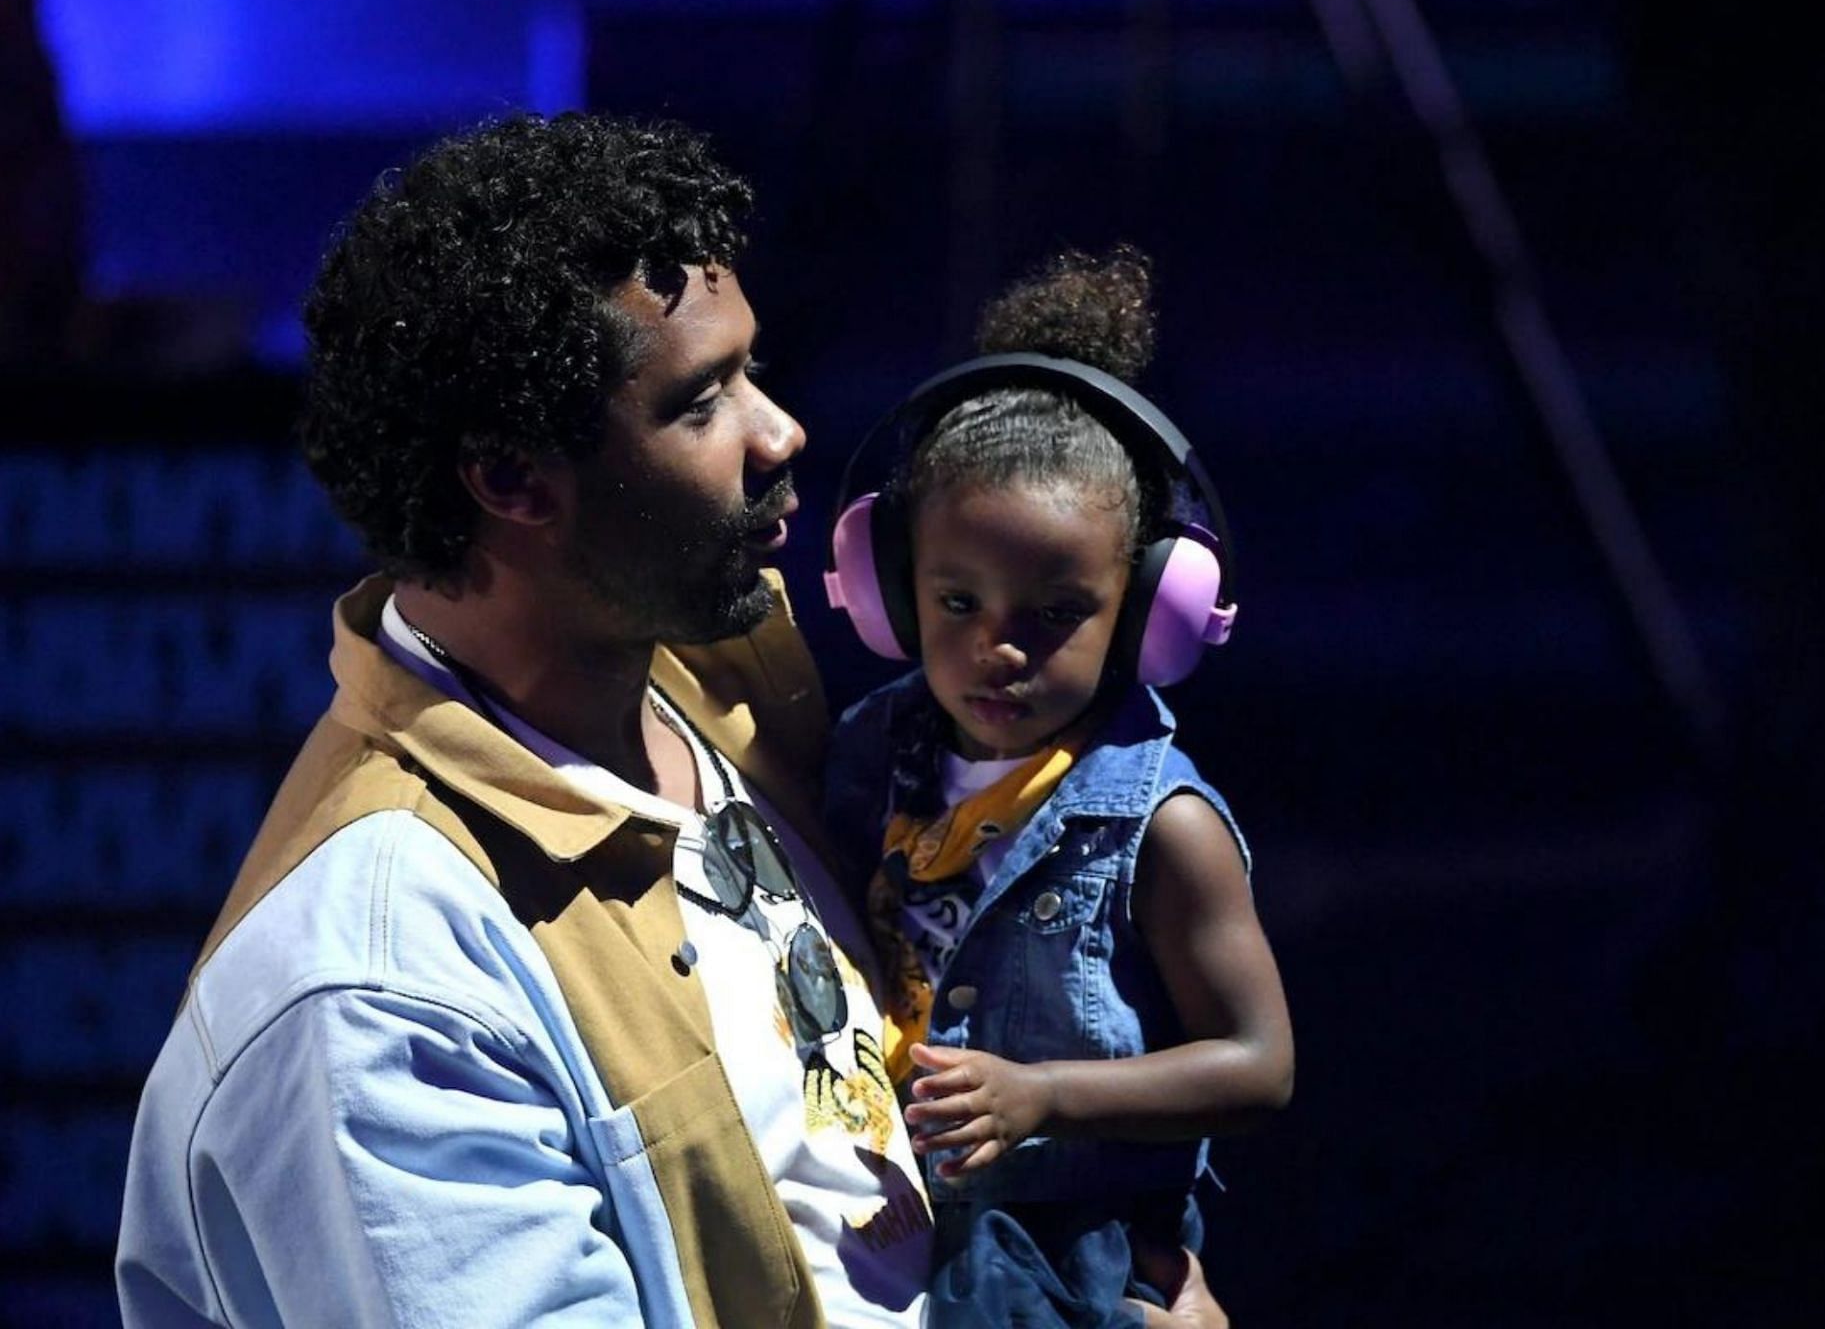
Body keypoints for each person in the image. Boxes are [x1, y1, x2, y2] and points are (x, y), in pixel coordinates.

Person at [115, 114, 1224, 1329]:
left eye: (752, 369)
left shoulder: (726, 694)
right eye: (702, 402)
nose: (781, 431)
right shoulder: (379, 994)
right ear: (513, 481)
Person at [823, 249, 1295, 1326]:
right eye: (956, 601)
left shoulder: (1160, 827)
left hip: (1070, 1265)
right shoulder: (866, 754)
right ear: (891, 590)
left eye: (1054, 613)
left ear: (1147, 613)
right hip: (893, 1219)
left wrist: (1042, 1096)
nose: (998, 649)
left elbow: (1260, 1065)